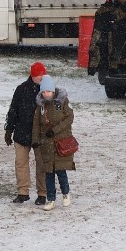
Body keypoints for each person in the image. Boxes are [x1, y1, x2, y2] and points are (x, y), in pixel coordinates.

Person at [5, 62, 47, 204]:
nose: (41, 77)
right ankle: (23, 192)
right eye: (38, 75)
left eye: (42, 74)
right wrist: (9, 129)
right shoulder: (21, 89)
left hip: (41, 135)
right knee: (21, 163)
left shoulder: (48, 91)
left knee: (41, 165)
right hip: (22, 132)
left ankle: (42, 193)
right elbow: (13, 111)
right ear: (32, 75)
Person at [31, 75, 75, 211]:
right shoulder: (41, 106)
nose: (46, 94)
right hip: (46, 145)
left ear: (53, 91)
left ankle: (66, 194)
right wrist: (35, 141)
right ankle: (51, 199)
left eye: (48, 91)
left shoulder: (62, 102)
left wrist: (55, 130)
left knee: (61, 172)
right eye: (43, 92)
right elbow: (36, 125)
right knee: (48, 174)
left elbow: (69, 118)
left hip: (60, 144)